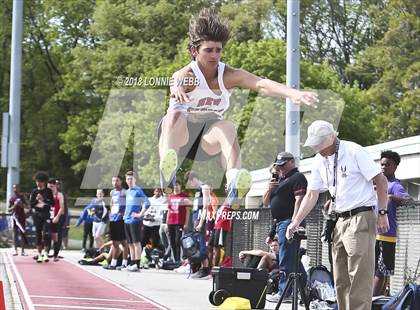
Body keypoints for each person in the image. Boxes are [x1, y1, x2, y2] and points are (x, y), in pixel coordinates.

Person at [158, 8, 318, 206]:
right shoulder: (188, 75)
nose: (214, 55)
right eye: (208, 50)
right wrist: (177, 89)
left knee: (227, 127)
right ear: (194, 51)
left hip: (206, 140)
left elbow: (261, 83)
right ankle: (167, 169)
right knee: (173, 115)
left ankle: (233, 179)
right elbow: (177, 80)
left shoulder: (229, 75)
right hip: (179, 137)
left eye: (218, 50)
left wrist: (293, 93)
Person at [286, 120, 389, 310]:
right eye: (314, 144)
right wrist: (296, 221)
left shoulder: (353, 151)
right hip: (338, 220)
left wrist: (382, 212)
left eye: (320, 144)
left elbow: (381, 181)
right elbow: (312, 193)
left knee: (358, 276)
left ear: (332, 137)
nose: (317, 148)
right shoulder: (319, 159)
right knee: (340, 278)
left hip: (360, 216)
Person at [263, 152, 308, 302]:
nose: (280, 168)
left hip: (290, 221)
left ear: (292, 162)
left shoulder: (297, 177)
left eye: (283, 165)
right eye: (278, 165)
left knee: (285, 257)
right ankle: (304, 289)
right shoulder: (280, 180)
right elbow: (266, 203)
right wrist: (270, 188)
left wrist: (294, 222)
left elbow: (299, 200)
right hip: (281, 222)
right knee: (291, 257)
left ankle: (285, 293)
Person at [373, 150, 413, 296]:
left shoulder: (395, 185)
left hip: (387, 235)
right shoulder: (377, 183)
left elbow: (410, 201)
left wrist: (390, 196)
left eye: (388, 165)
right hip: (372, 234)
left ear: (395, 167)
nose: (384, 167)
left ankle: (370, 303)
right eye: (382, 164)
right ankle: (378, 301)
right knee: (376, 271)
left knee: (382, 271)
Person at [122, 171, 150, 272]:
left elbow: (147, 203)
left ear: (135, 179)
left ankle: (137, 264)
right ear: (126, 180)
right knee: (129, 243)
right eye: (128, 179)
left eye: (131, 179)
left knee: (136, 243)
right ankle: (132, 263)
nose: (129, 181)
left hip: (135, 220)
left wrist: (140, 214)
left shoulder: (138, 190)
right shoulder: (127, 191)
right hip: (127, 220)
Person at [104, 176, 128, 270]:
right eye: (113, 180)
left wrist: (122, 213)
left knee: (123, 242)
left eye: (117, 180)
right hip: (113, 218)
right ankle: (113, 264)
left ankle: (124, 263)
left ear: (121, 181)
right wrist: (111, 213)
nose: (114, 182)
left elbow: (127, 204)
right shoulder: (112, 192)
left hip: (121, 219)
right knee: (114, 242)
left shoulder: (124, 192)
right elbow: (111, 203)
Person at [30, 171, 54, 263]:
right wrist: (36, 200)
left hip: (46, 214)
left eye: (40, 181)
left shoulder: (48, 191)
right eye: (37, 181)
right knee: (38, 233)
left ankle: (45, 253)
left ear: (44, 182)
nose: (38, 183)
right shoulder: (34, 191)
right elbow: (31, 204)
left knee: (46, 233)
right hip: (37, 215)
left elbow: (51, 203)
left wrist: (43, 200)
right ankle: (39, 254)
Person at [166, 180, 191, 262]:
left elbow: (187, 210)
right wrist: (167, 222)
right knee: (172, 242)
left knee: (178, 241)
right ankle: (175, 260)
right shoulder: (170, 197)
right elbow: (169, 210)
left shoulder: (184, 196)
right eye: (174, 186)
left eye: (177, 185)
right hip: (171, 222)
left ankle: (179, 260)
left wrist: (186, 223)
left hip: (179, 222)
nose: (176, 187)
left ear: (180, 186)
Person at [46, 178, 65, 261]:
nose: (50, 188)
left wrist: (57, 217)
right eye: (49, 186)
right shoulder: (45, 194)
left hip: (56, 218)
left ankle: (55, 254)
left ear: (55, 186)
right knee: (46, 235)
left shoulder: (59, 195)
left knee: (56, 236)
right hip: (47, 217)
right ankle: (45, 253)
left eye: (52, 186)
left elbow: (62, 208)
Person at [8, 184, 29, 256]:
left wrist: (21, 204)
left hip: (22, 217)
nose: (15, 189)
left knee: (22, 233)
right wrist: (14, 206)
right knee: (15, 234)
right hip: (15, 217)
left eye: (16, 187)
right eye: (14, 188)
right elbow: (9, 209)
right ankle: (15, 250)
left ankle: (23, 251)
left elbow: (27, 206)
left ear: (19, 188)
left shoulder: (22, 196)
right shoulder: (12, 198)